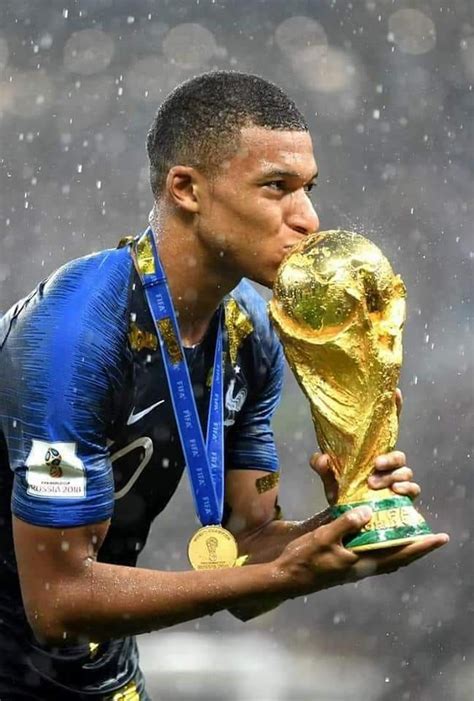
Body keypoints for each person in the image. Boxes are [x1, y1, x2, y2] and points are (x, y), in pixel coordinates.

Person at [0, 71, 448, 700]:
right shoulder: (74, 337)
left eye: (309, 189)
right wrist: (284, 575)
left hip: (103, 678)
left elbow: (248, 557)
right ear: (186, 188)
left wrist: (340, 524)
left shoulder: (252, 334)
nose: (309, 219)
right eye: (277, 188)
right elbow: (56, 603)